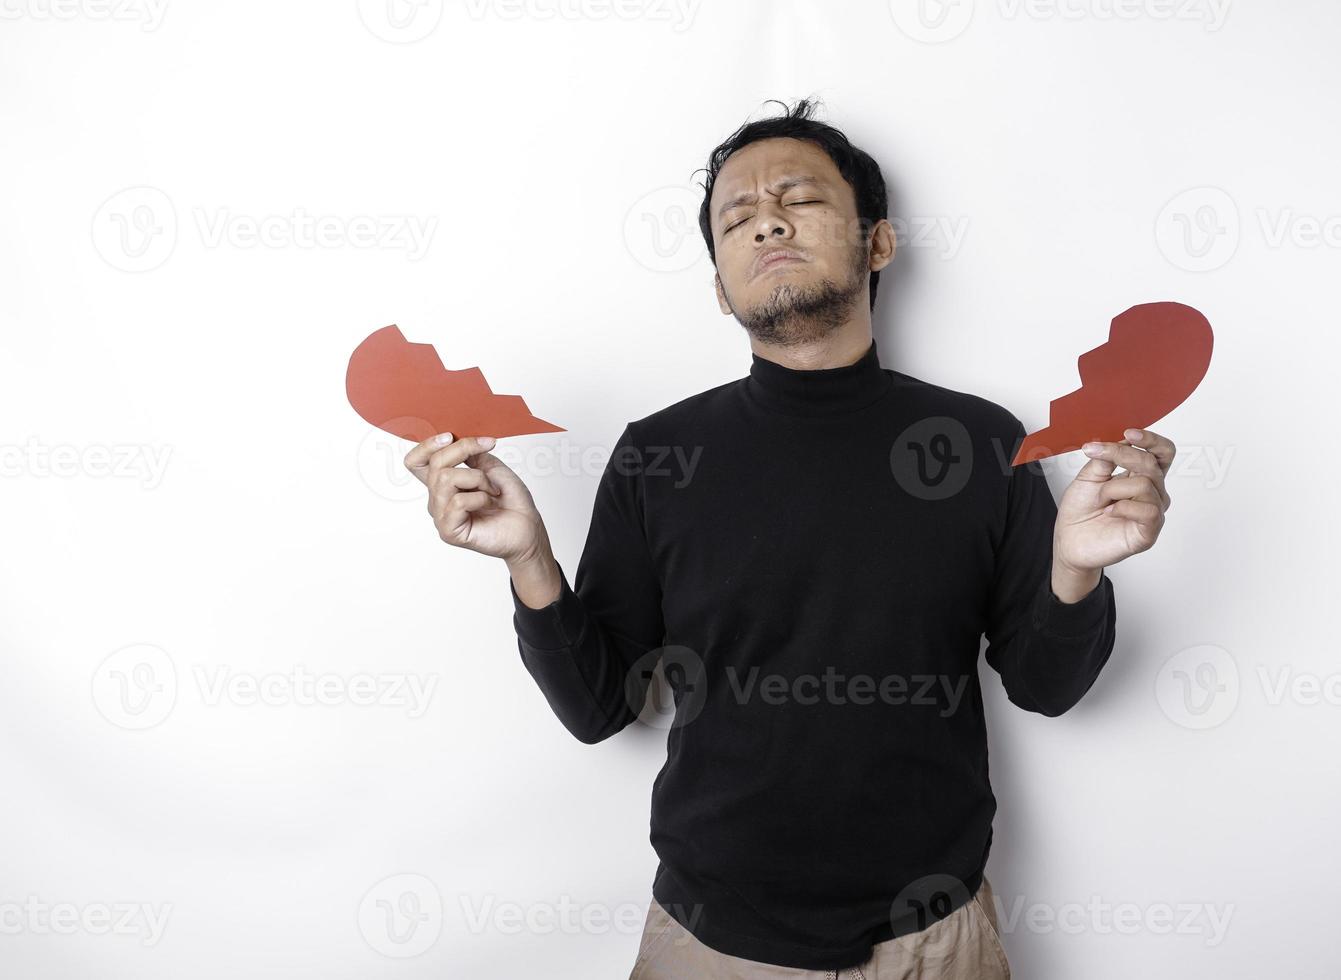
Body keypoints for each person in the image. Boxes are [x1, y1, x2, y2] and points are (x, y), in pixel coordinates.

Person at [402, 98, 1173, 979]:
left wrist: (1075, 569)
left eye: (799, 198)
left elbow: (1047, 686)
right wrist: (527, 559)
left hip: (935, 938)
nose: (766, 219)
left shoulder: (983, 441)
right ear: (721, 286)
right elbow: (598, 709)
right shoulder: (661, 454)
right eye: (736, 217)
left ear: (878, 243)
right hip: (709, 941)